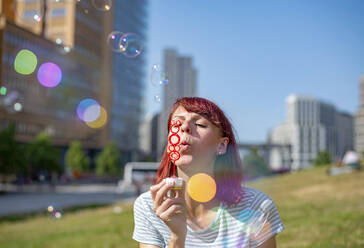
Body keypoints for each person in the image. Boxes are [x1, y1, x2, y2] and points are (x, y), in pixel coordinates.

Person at [133, 97, 284, 247]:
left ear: (221, 146)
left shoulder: (256, 206)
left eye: (199, 124)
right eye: (177, 124)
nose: (184, 127)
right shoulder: (149, 207)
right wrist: (177, 237)